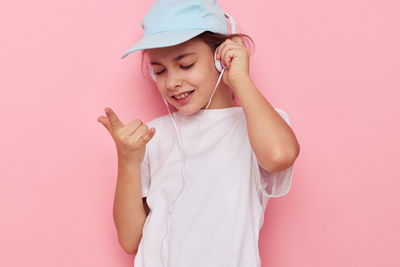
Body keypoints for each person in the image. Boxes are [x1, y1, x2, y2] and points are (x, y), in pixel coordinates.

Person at [97, 0, 300, 266]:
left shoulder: (255, 123)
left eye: (186, 64)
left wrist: (240, 78)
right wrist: (128, 160)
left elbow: (280, 155)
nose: (172, 82)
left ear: (222, 57)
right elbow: (130, 239)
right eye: (159, 71)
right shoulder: (154, 136)